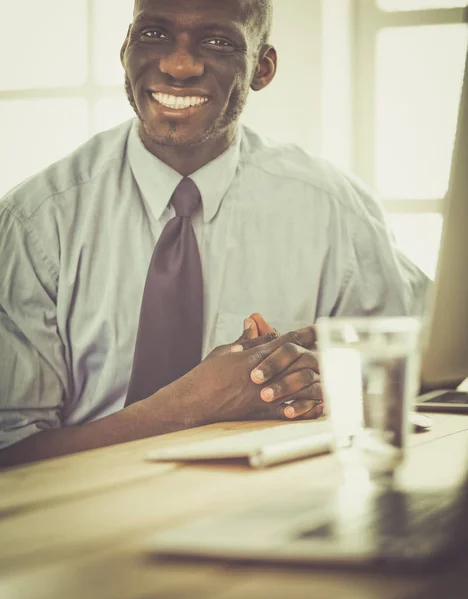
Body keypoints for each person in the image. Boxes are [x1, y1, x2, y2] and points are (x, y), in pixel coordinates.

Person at [0, 0, 427, 467]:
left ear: (261, 69)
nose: (178, 64)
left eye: (217, 41)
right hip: (75, 521)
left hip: (271, 513)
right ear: (125, 48)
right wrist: (190, 407)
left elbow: (425, 366)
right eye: (154, 35)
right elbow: (10, 453)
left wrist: (328, 384)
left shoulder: (336, 210)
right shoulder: (36, 222)